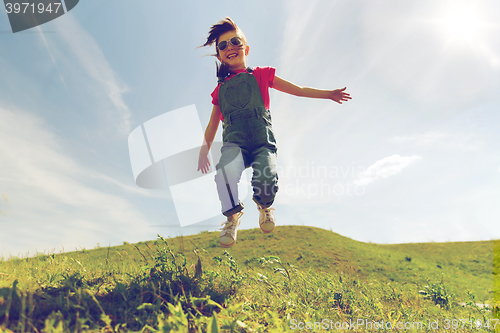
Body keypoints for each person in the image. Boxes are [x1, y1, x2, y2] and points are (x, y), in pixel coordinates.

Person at [197, 17, 351, 248]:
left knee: (267, 179)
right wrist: (203, 150)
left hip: (261, 143)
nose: (230, 47)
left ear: (246, 48)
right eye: (223, 45)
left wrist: (327, 93)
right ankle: (232, 218)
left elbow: (297, 90)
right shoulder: (219, 92)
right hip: (234, 145)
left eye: (235, 41)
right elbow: (212, 125)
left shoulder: (261, 75)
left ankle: (264, 206)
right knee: (224, 176)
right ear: (219, 55)